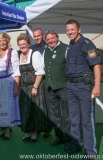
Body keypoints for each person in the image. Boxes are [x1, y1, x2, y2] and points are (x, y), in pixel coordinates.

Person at [65, 20, 101, 159]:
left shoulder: (87, 44)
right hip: (71, 86)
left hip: (84, 87)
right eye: (68, 30)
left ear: (79, 29)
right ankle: (76, 144)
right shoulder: (71, 45)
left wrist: (97, 86)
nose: (70, 32)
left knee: (86, 121)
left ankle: (90, 152)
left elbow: (96, 65)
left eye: (72, 29)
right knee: (74, 119)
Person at [17, 34, 49, 142]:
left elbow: (40, 73)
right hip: (24, 88)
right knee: (25, 111)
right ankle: (29, 132)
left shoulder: (34, 54)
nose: (22, 46)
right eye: (20, 44)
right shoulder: (19, 55)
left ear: (29, 44)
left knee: (34, 110)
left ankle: (35, 132)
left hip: (34, 86)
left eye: (24, 44)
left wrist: (35, 87)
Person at [43, 30, 71, 150]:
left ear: (57, 37)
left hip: (63, 87)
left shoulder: (66, 49)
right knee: (54, 115)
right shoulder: (46, 50)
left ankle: (70, 140)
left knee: (67, 116)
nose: (50, 41)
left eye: (52, 38)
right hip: (50, 87)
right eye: (48, 39)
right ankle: (60, 137)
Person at [0, 32, 21, 139]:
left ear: (7, 41)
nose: (2, 42)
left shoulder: (12, 52)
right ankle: (3, 127)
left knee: (7, 107)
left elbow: (17, 69)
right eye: (0, 40)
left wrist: (17, 86)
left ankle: (7, 131)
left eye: (4, 40)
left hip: (8, 83)